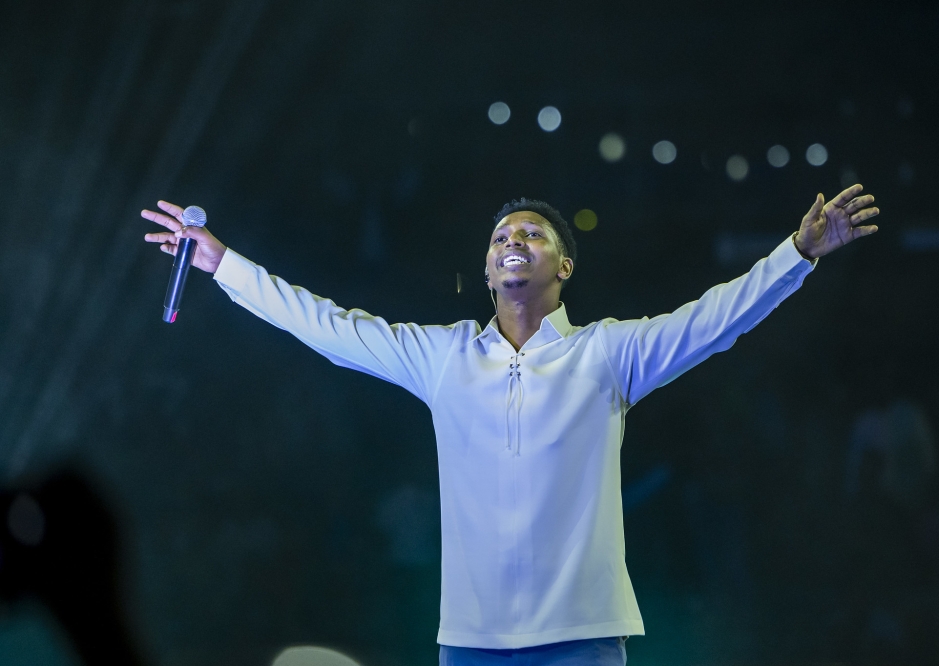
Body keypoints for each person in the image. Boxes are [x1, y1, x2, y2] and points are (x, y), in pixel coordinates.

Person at [141, 187, 879, 665]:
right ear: (489, 272)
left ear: (564, 266)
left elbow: (714, 321)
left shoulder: (609, 352)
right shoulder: (443, 357)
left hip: (584, 639)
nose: (512, 241)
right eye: (500, 238)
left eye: (531, 233)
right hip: (472, 642)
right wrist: (222, 264)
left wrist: (798, 253)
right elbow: (327, 326)